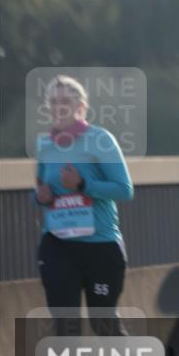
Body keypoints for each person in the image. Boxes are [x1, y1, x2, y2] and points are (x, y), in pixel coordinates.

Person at [33, 75, 134, 336]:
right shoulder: (44, 145)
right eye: (53, 101)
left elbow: (124, 190)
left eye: (65, 101)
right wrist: (41, 196)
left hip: (100, 245)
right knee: (65, 324)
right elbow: (42, 190)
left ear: (81, 107)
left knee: (104, 323)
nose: (59, 107)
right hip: (58, 244)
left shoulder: (100, 139)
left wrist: (82, 185)